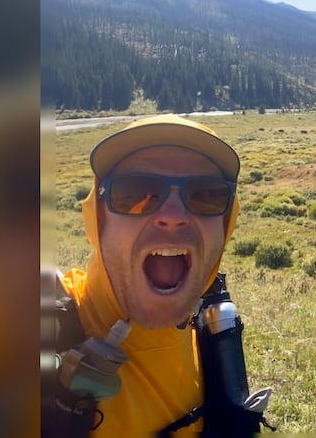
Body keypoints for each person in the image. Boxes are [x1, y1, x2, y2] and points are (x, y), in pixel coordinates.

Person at [43, 113, 267, 437]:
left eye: (206, 195)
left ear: (227, 223)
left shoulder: (214, 343)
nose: (173, 216)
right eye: (135, 193)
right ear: (97, 218)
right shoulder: (35, 330)